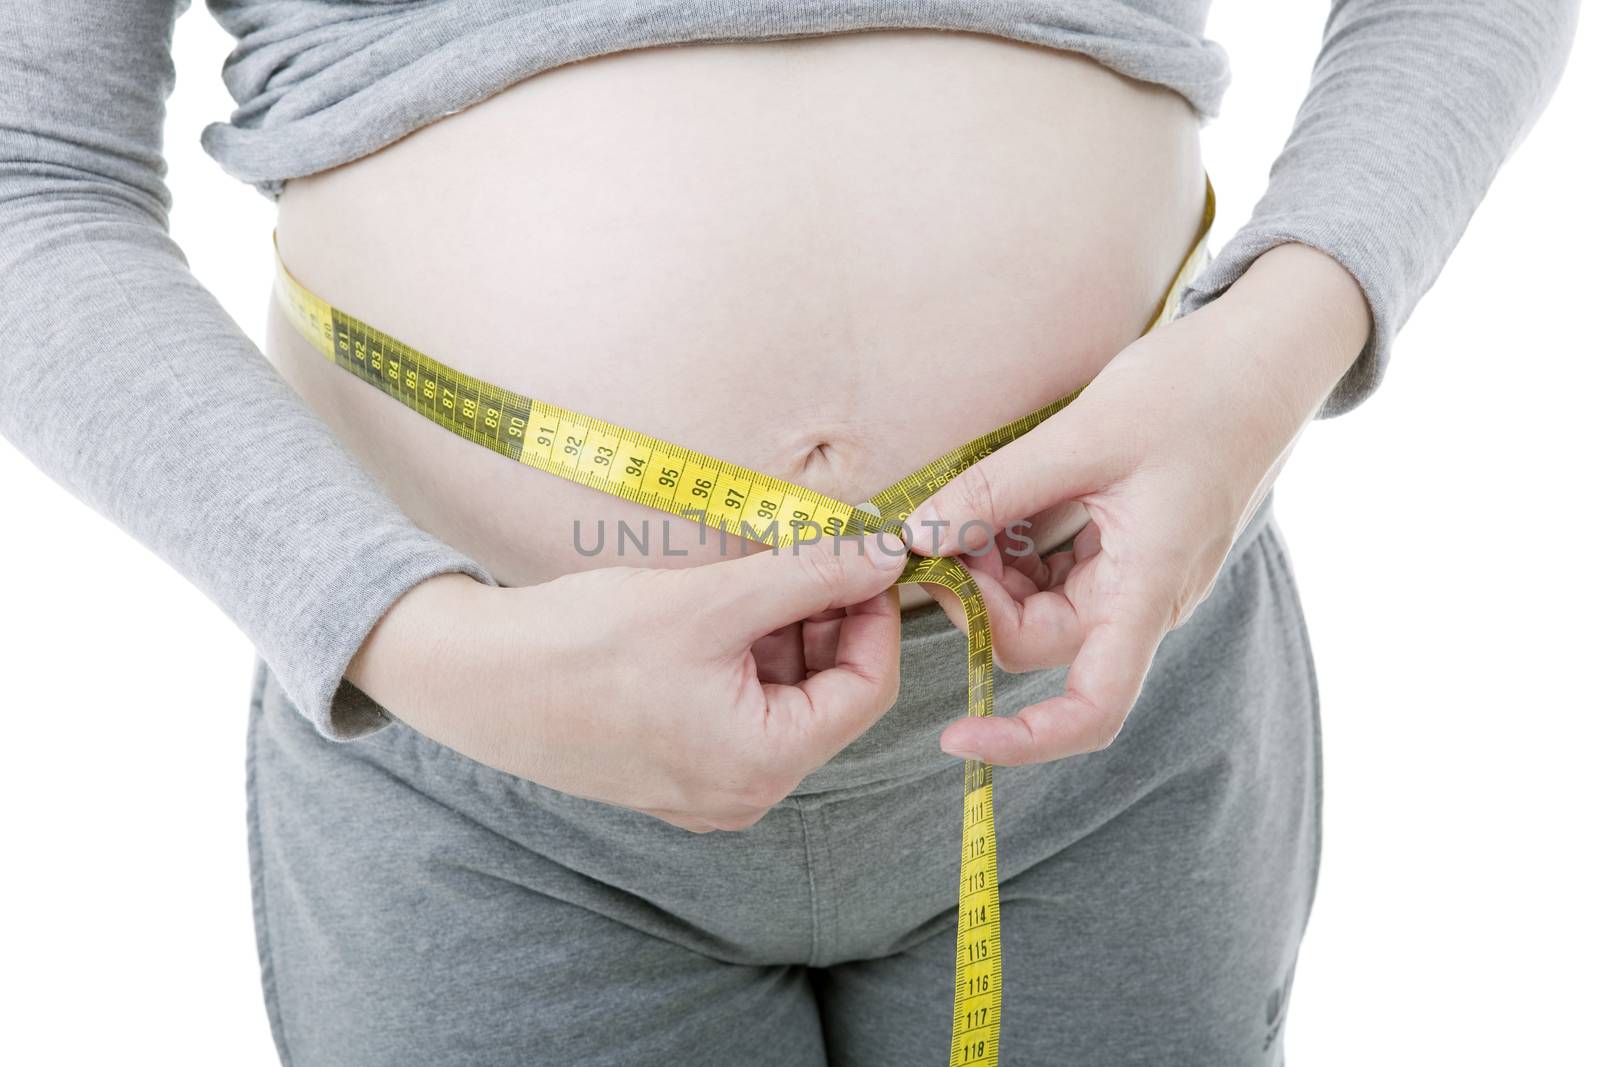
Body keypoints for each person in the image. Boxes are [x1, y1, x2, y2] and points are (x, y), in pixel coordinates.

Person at [0, 2, 1579, 1064]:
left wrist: (1271, 349)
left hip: (1113, 706)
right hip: (487, 774)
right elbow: (26, 172)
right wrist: (424, 641)